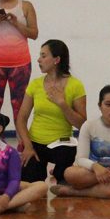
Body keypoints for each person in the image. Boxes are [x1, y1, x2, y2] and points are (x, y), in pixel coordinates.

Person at [15, 39, 87, 184]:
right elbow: (21, 119)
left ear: (56, 60)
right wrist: (28, 146)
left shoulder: (75, 85)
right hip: (35, 142)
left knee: (65, 177)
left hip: (62, 143)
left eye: (43, 55)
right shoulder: (35, 84)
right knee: (29, 181)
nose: (38, 59)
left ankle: (59, 175)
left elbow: (81, 124)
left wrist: (63, 104)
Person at [54, 85, 110, 199]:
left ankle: (72, 191)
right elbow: (81, 159)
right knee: (70, 173)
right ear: (100, 105)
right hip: (92, 172)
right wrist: (95, 167)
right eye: (108, 104)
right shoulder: (88, 125)